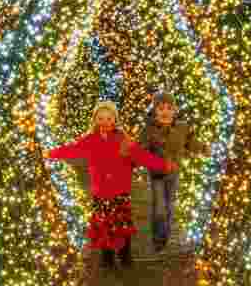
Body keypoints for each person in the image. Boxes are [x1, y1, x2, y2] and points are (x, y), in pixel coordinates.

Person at [46, 100, 176, 267]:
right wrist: (51, 153)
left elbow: (142, 156)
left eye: (109, 119)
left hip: (120, 191)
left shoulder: (123, 140)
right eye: (101, 118)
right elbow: (72, 149)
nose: (105, 122)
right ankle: (106, 257)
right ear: (95, 120)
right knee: (103, 225)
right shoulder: (90, 140)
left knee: (122, 225)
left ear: (115, 120)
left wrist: (163, 165)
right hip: (100, 192)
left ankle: (125, 255)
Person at [139, 92, 208, 252]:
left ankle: (165, 235)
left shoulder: (182, 127)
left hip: (174, 173)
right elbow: (141, 149)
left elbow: (191, 142)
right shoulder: (149, 129)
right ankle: (158, 237)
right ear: (155, 110)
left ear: (175, 110)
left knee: (169, 205)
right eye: (161, 108)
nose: (165, 111)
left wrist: (203, 148)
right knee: (159, 207)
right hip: (156, 174)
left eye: (169, 108)